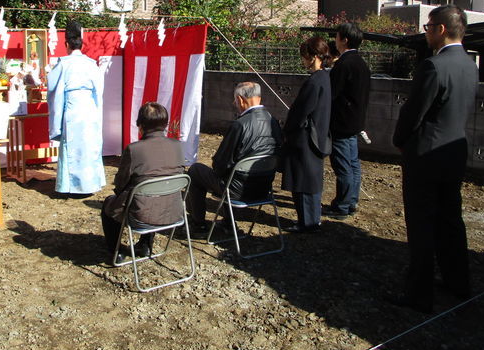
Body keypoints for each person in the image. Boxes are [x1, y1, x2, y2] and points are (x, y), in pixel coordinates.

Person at [391, 5, 478, 313]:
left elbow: (413, 112)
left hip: (426, 155)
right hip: (454, 152)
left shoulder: (434, 67)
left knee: (422, 226)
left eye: (428, 27)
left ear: (441, 29)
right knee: (451, 220)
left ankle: (418, 293)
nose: (426, 32)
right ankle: (458, 282)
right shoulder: (470, 65)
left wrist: (400, 141)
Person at [187, 82, 282, 237]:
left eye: (234, 100)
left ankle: (199, 224)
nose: (234, 104)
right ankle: (227, 221)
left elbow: (220, 163)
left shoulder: (240, 125)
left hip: (238, 189)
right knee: (230, 172)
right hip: (264, 187)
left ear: (240, 99)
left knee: (196, 170)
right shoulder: (273, 121)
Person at [101, 102, 186, 262]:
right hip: (174, 211)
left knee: (110, 203)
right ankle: (146, 245)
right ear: (166, 124)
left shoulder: (134, 150)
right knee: (154, 193)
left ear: (140, 125)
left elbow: (120, 184)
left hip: (140, 215)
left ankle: (116, 252)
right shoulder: (177, 146)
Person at [47, 20, 106, 197]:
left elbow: (54, 89)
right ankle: (91, 183)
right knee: (89, 146)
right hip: (89, 107)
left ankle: (70, 186)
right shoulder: (91, 63)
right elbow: (99, 90)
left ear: (66, 44)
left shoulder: (63, 64)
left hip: (72, 108)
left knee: (72, 146)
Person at [281, 37, 332, 233]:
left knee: (303, 181)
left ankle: (306, 222)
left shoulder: (314, 81)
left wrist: (288, 129)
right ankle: (312, 219)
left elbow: (301, 111)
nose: (303, 60)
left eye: (304, 56)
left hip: (305, 138)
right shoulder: (324, 78)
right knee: (312, 179)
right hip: (318, 136)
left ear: (312, 57)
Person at [323, 22, 371, 220]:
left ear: (344, 39)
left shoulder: (343, 65)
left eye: (337, 36)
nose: (335, 40)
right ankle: (351, 201)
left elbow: (331, 94)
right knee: (353, 165)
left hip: (342, 123)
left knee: (343, 166)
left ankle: (342, 205)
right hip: (355, 122)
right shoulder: (361, 63)